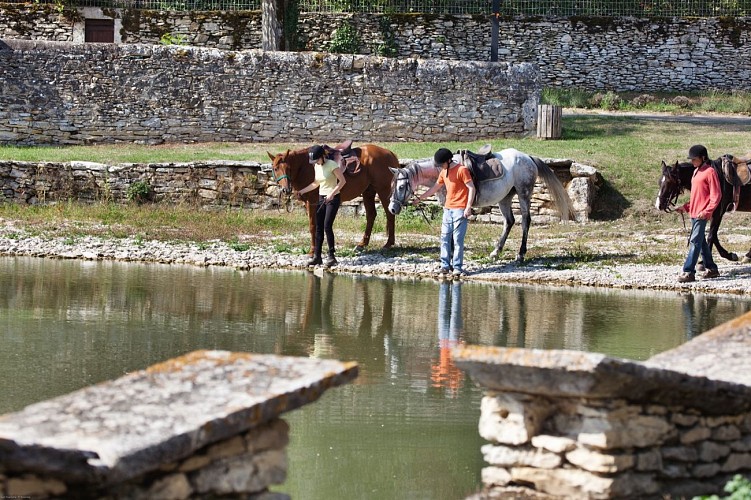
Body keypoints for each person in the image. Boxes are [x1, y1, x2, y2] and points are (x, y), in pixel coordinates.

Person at [412, 148, 476, 277]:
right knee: (444, 238)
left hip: (460, 209)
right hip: (447, 209)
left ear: (448, 160)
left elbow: (471, 188)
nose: (440, 166)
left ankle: (457, 267)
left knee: (458, 240)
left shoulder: (461, 170)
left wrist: (468, 207)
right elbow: (435, 187)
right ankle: (445, 266)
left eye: (441, 164)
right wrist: (420, 198)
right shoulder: (443, 171)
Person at [675, 144, 722, 283]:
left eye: (694, 159)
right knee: (701, 242)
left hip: (702, 214)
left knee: (695, 241)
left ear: (703, 158)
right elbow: (697, 196)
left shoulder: (710, 172)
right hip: (694, 213)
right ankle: (712, 269)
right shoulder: (696, 172)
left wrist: (707, 211)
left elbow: (716, 196)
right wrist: (685, 207)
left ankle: (689, 272)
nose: (692, 162)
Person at [296, 145, 347, 268]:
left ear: (322, 157)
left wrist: (332, 194)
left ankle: (331, 256)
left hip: (333, 198)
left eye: (317, 160)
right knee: (318, 227)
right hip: (321, 198)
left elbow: (342, 181)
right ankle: (317, 257)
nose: (316, 163)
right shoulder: (317, 166)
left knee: (327, 226)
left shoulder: (332, 165)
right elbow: (316, 183)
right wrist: (302, 191)